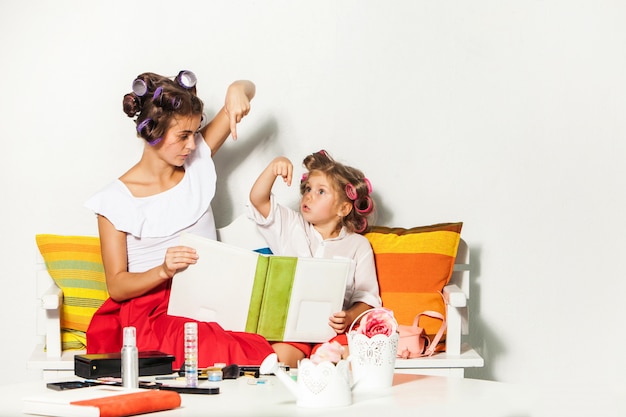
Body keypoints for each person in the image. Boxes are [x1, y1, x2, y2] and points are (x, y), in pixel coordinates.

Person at [84, 70, 274, 369]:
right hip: (155, 309)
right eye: (183, 136)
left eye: (194, 132)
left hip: (211, 293)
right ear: (152, 132)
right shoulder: (115, 201)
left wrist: (239, 88)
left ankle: (279, 359)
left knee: (283, 322)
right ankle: (276, 362)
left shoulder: (196, 159)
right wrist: (163, 270)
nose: (191, 144)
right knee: (201, 340)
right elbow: (117, 286)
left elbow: (246, 93)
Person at [248, 150, 382, 368]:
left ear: (343, 208)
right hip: (292, 331)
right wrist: (274, 167)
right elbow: (258, 199)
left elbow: (368, 298)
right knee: (279, 360)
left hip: (332, 331)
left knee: (342, 358)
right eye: (308, 189)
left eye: (321, 192)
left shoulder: (358, 245)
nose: (309, 195)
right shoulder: (290, 225)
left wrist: (349, 316)